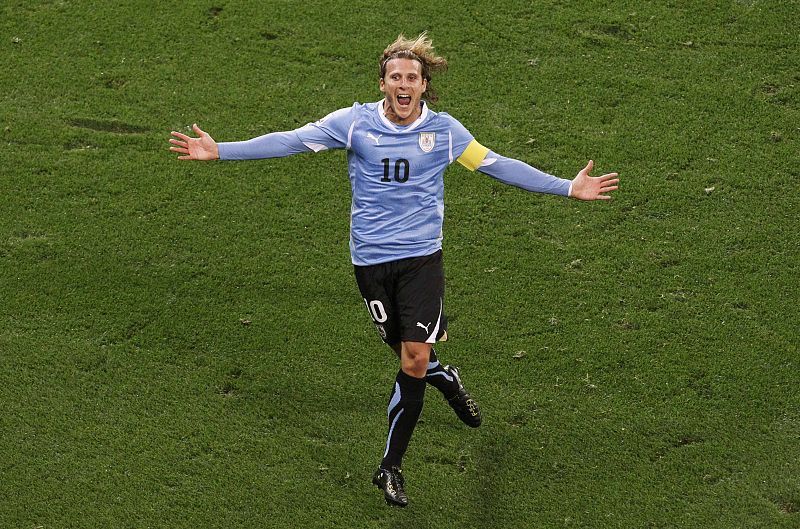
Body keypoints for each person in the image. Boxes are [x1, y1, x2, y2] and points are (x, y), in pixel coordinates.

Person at [169, 32, 619, 507]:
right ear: (383, 84)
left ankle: (390, 466)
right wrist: (222, 150)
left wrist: (566, 187)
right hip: (370, 263)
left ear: (424, 85)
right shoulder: (353, 124)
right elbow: (292, 141)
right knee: (412, 358)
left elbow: (496, 164)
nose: (404, 85)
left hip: (421, 260)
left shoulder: (444, 133)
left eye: (412, 78)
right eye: (395, 77)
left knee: (413, 358)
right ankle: (445, 378)